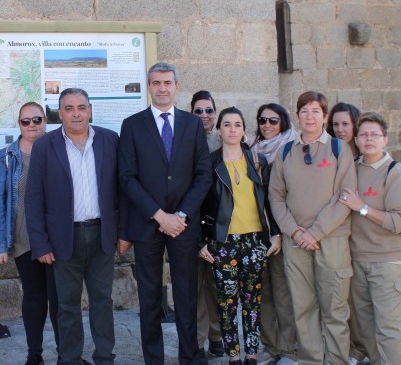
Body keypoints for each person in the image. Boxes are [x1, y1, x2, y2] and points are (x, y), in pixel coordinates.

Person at [118, 62, 212, 365]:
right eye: (156, 82)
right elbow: (127, 177)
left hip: (184, 226)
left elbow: (203, 176)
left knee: (186, 295)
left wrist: (181, 215)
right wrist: (160, 216)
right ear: (148, 85)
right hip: (148, 224)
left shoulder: (192, 124)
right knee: (149, 298)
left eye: (167, 82)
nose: (161, 88)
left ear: (176, 86)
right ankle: (153, 359)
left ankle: (190, 356)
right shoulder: (132, 125)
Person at [25, 88, 122, 365]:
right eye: (69, 108)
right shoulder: (45, 145)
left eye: (81, 107)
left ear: (90, 109)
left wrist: (122, 233)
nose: (76, 113)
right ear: (60, 113)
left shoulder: (109, 140)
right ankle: (69, 359)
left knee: (102, 301)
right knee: (66, 305)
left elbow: (120, 190)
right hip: (62, 240)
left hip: (102, 234)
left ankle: (105, 357)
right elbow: (34, 198)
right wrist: (40, 244)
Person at [268, 91, 357, 365]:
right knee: (303, 307)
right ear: (297, 116)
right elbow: (276, 196)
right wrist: (295, 232)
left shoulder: (339, 150)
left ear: (325, 117)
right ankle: (311, 360)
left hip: (331, 240)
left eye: (315, 111)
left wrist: (315, 233)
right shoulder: (286, 151)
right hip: (296, 243)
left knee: (334, 308)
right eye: (304, 110)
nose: (309, 116)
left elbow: (345, 195)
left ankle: (337, 361)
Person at [199, 107, 281, 365]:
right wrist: (202, 241)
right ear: (220, 130)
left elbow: (269, 201)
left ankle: (251, 353)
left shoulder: (258, 162)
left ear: (244, 129)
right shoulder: (210, 164)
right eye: (227, 125)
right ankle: (233, 354)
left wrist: (275, 234)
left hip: (254, 241)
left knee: (252, 301)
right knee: (226, 302)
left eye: (237, 124)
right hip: (223, 243)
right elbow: (201, 205)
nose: (232, 129)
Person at [339, 112, 401, 365]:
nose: (369, 139)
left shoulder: (396, 174)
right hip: (358, 261)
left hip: (390, 264)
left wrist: (362, 207)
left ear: (385, 139)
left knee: (389, 331)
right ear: (357, 139)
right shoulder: (352, 168)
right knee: (367, 330)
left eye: (375, 134)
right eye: (364, 134)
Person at [0, 102, 59, 365]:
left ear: (45, 121)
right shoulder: (7, 157)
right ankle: (35, 354)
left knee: (59, 297)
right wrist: (0, 243)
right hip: (24, 238)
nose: (32, 125)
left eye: (37, 120)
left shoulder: (58, 149)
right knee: (34, 296)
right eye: (25, 121)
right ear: (19, 124)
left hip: (56, 238)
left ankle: (66, 353)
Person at [248, 103, 298, 365]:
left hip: (282, 231)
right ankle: (270, 345)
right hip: (257, 232)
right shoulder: (252, 151)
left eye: (273, 121)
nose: (267, 125)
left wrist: (278, 231)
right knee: (263, 293)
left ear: (283, 123)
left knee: (283, 292)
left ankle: (289, 346)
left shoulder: (292, 149)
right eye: (263, 120)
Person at [327, 102, 367, 365]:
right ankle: (349, 347)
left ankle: (362, 347)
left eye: (345, 124)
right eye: (336, 124)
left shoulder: (365, 156)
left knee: (361, 300)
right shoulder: (331, 155)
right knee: (342, 297)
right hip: (339, 234)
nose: (340, 129)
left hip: (364, 236)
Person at [189, 90, 224, 359]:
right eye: (199, 111)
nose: (204, 116)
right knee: (196, 285)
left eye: (209, 110)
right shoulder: (185, 141)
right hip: (191, 223)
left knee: (216, 284)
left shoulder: (226, 143)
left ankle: (217, 334)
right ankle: (199, 338)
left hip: (220, 224)